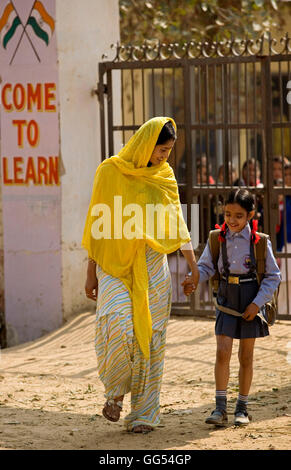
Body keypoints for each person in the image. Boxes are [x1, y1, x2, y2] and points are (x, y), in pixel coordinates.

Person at [82, 117, 199, 434]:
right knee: (118, 325)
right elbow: (97, 225)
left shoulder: (165, 176)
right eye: (161, 150)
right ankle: (116, 391)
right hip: (114, 266)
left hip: (153, 265)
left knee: (152, 340)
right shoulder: (109, 172)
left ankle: (145, 413)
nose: (164, 157)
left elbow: (177, 223)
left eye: (169, 151)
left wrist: (193, 265)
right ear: (147, 143)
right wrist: (90, 272)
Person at [182, 189, 281, 426]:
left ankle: (242, 408)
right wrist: (192, 278)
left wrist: (257, 304)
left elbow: (273, 276)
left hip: (250, 299)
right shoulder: (217, 238)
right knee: (222, 352)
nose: (232, 220)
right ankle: (219, 408)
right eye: (227, 214)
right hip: (226, 298)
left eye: (238, 215)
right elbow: (205, 267)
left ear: (250, 215)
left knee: (245, 356)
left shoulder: (260, 242)